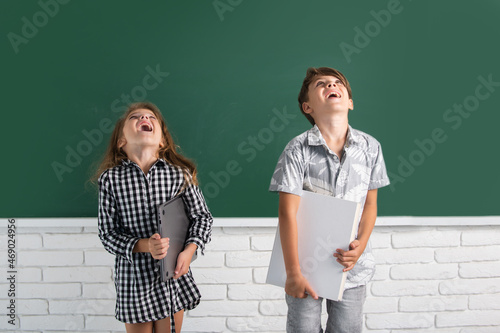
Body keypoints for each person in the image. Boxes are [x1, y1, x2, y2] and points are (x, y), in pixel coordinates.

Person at [269, 67, 390, 333]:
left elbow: (370, 205)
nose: (331, 86)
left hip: (351, 266)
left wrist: (360, 247)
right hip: (304, 266)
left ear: (350, 102)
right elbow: (287, 213)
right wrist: (293, 273)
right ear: (307, 106)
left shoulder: (371, 147)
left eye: (337, 83)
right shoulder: (296, 149)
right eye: (321, 84)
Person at [94, 102, 213, 333]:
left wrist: (189, 252)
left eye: (150, 117)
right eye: (135, 117)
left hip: (172, 275)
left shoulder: (180, 175)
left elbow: (202, 218)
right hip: (134, 278)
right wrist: (145, 245)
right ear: (121, 141)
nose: (143, 118)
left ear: (162, 141)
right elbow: (107, 234)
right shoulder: (110, 179)